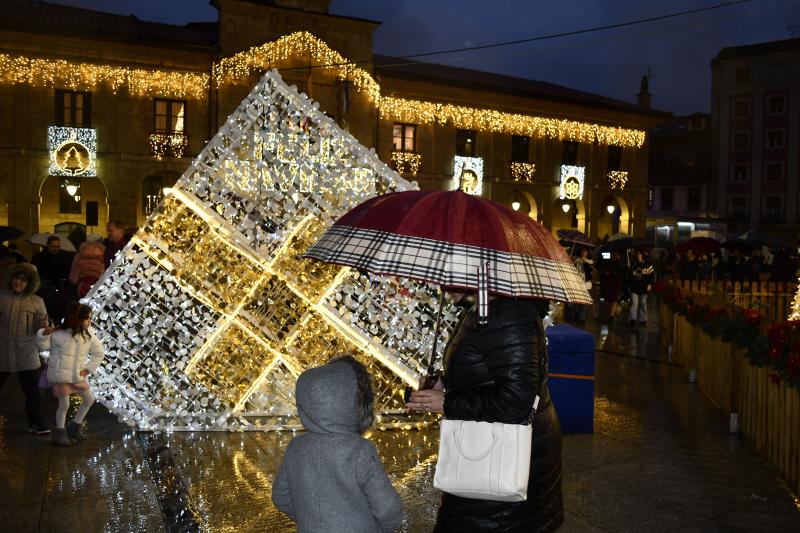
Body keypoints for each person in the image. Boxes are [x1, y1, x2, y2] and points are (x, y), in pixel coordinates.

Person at [408, 295, 562, 533]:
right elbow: (488, 366)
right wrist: (445, 384)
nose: (445, 284)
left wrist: (448, 403)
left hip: (502, 459)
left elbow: (517, 400)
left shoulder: (510, 314)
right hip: (488, 449)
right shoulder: (485, 307)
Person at [272, 356, 405, 533]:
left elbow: (281, 497)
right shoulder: (359, 450)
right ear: (355, 403)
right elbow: (388, 509)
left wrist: (309, 521)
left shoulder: (295, 447)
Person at [36, 302, 105, 446]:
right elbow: (42, 346)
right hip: (60, 375)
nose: (90, 321)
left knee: (89, 399)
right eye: (87, 319)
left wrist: (87, 369)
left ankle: (75, 426)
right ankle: (60, 431)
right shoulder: (58, 334)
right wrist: (44, 334)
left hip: (77, 376)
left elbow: (99, 353)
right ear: (77, 319)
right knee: (64, 405)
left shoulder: (88, 335)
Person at [0, 263, 51, 435]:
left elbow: (42, 326)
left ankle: (35, 422)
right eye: (16, 278)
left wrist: (45, 327)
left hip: (26, 353)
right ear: (11, 278)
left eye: (23, 280)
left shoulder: (37, 301)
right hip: (2, 352)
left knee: (33, 393)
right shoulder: (1, 297)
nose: (19, 283)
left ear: (29, 283)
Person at [628, 250, 654, 326]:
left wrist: (649, 284)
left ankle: (643, 319)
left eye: (640, 254)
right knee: (634, 304)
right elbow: (630, 276)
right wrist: (629, 269)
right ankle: (633, 319)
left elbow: (651, 276)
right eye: (637, 255)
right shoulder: (633, 265)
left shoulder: (648, 265)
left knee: (643, 303)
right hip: (635, 286)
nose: (639, 256)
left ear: (642, 256)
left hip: (644, 286)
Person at [600, 250, 626, 324]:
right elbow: (605, 270)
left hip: (617, 283)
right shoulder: (610, 262)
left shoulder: (621, 263)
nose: (615, 256)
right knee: (610, 300)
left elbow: (621, 272)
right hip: (609, 283)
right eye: (614, 254)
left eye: (617, 255)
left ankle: (611, 317)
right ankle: (617, 309)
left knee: (613, 300)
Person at [572, 248, 594, 324]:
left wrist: (587, 262)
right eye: (582, 250)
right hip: (577, 281)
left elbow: (592, 270)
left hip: (586, 283)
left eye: (585, 250)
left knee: (584, 301)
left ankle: (582, 318)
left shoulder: (589, 261)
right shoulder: (576, 259)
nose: (584, 252)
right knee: (577, 300)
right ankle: (576, 315)